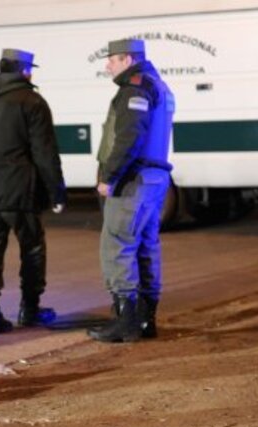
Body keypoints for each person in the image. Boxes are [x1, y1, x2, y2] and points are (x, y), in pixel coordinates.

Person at [0, 48, 66, 335]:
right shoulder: (32, 102)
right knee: (31, 250)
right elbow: (45, 152)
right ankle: (29, 310)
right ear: (24, 71)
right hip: (22, 193)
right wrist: (56, 191)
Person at [86, 39, 175, 343]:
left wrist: (109, 176)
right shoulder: (158, 85)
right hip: (153, 179)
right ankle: (146, 320)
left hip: (132, 180)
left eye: (111, 59)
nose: (107, 65)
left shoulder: (134, 88)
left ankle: (125, 322)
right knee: (146, 247)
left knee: (118, 245)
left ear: (127, 59)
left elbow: (129, 136)